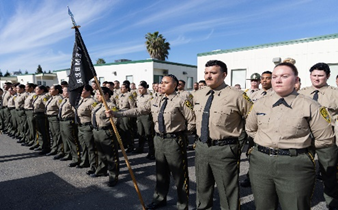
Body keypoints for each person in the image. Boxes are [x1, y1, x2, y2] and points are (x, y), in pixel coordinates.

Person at [246, 62, 336, 209]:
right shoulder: (260, 104)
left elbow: (325, 138)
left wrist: (301, 146)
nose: (278, 80)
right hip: (261, 163)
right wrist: (267, 143)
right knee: (263, 206)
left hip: (294, 164)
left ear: (296, 80)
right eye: (274, 77)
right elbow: (250, 129)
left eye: (284, 76)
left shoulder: (310, 105)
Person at [107, 74, 195, 210]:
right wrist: (117, 113)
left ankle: (183, 204)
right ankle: (160, 198)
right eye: (162, 82)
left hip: (174, 141)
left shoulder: (181, 100)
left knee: (179, 174)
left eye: (166, 82)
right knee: (161, 172)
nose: (162, 85)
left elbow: (192, 120)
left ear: (175, 85)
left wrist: (182, 135)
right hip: (158, 140)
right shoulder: (156, 99)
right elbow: (139, 110)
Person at [193, 60, 252, 209]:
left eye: (213, 73)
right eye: (206, 73)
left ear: (224, 75)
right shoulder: (198, 95)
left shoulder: (237, 95)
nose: (208, 76)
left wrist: (240, 144)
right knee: (202, 187)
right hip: (202, 147)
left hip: (224, 149)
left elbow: (253, 119)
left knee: (227, 190)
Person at [298, 62, 338, 209]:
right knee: (302, 172)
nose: (316, 78)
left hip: (327, 140)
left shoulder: (335, 93)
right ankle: (301, 201)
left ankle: (332, 202)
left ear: (327, 76)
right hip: (303, 139)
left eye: (320, 76)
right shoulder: (301, 93)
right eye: (313, 75)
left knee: (329, 172)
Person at [91, 87, 120, 188]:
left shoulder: (110, 106)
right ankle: (101, 170)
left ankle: (113, 176)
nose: (97, 96)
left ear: (106, 94)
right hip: (97, 131)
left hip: (106, 132)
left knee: (111, 155)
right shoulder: (98, 105)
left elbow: (116, 120)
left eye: (99, 94)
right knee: (101, 154)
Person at [76, 85, 97, 175]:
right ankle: (85, 161)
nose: (82, 92)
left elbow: (94, 115)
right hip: (80, 126)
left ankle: (94, 166)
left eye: (84, 90)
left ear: (89, 91)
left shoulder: (92, 101)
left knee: (90, 147)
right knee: (83, 145)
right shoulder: (81, 100)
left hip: (87, 126)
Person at [133, 81, 155, 159]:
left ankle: (152, 152)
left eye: (141, 88)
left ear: (145, 88)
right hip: (139, 116)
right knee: (140, 133)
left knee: (149, 134)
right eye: (138, 88)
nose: (139, 90)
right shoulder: (138, 97)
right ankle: (140, 148)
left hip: (146, 116)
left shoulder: (150, 97)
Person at [59, 86, 79, 167]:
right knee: (65, 139)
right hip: (62, 121)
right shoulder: (64, 100)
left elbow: (76, 112)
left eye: (64, 91)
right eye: (63, 91)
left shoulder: (71, 101)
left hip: (68, 121)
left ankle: (76, 158)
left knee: (72, 140)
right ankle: (68, 154)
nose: (63, 93)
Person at [117, 81, 136, 152]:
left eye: (123, 88)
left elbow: (132, 106)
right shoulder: (119, 95)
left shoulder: (129, 95)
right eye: (121, 87)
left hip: (126, 113)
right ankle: (124, 144)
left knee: (128, 130)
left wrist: (131, 115)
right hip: (120, 113)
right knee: (122, 130)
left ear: (127, 89)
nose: (121, 89)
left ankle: (131, 145)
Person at [45, 85, 64, 157]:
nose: (49, 90)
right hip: (50, 117)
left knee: (58, 134)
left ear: (57, 90)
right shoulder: (52, 98)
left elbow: (61, 109)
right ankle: (54, 148)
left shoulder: (59, 98)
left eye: (51, 89)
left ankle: (60, 151)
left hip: (55, 118)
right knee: (53, 134)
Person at [32, 85, 50, 155]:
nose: (35, 90)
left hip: (41, 115)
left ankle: (46, 147)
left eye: (37, 89)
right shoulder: (37, 97)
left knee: (44, 132)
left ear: (42, 90)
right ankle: (42, 145)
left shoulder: (44, 97)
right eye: (35, 89)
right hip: (36, 115)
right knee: (39, 132)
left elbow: (47, 106)